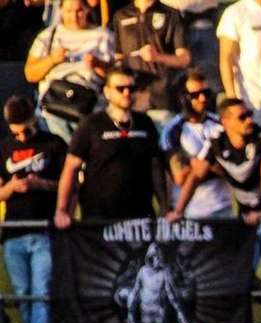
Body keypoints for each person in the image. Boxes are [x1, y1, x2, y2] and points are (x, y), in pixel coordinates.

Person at [176, 98, 261, 323]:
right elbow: (196, 175)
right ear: (225, 122)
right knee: (241, 273)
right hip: (246, 218)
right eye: (242, 117)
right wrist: (178, 210)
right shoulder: (216, 142)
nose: (249, 121)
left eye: (250, 115)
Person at [55, 67, 167, 229]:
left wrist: (164, 207)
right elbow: (71, 168)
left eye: (131, 88)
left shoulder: (145, 123)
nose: (127, 93)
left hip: (140, 217)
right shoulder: (91, 124)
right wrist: (62, 210)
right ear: (107, 92)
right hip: (100, 217)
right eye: (120, 89)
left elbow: (156, 168)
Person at [0, 96, 66, 323]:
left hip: (43, 230)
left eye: (26, 131)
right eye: (16, 133)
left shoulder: (54, 144)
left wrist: (41, 184)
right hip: (13, 232)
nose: (22, 138)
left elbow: (67, 185)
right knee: (22, 293)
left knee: (41, 293)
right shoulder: (4, 148)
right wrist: (10, 189)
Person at [24, 0, 113, 142]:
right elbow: (30, 74)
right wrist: (52, 60)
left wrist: (97, 65)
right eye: (69, 11)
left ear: (88, 10)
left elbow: (115, 77)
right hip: (53, 111)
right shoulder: (48, 35)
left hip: (89, 110)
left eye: (79, 11)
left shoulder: (103, 36)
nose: (74, 16)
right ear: (61, 11)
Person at [160, 70, 231, 221]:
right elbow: (179, 177)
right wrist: (209, 162)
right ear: (183, 97)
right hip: (190, 210)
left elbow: (231, 168)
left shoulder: (220, 124)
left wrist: (197, 165)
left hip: (222, 206)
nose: (202, 98)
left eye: (206, 92)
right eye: (195, 95)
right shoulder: (173, 130)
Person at [112, 0, 191, 127]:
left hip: (162, 96)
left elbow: (184, 59)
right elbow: (118, 57)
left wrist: (158, 57)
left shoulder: (171, 14)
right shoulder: (121, 15)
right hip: (132, 97)